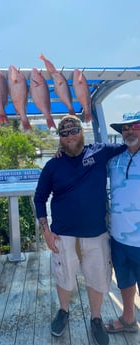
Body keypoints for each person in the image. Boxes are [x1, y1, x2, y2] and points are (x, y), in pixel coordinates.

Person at [33, 115, 127, 345]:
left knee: (97, 279)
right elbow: (39, 198)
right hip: (63, 235)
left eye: (73, 130)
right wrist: (45, 230)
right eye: (64, 133)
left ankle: (96, 318)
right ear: (60, 138)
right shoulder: (53, 164)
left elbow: (129, 143)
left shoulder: (100, 151)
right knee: (64, 277)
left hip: (96, 234)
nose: (69, 136)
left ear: (81, 131)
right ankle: (64, 311)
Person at [104, 112, 140, 334]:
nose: (128, 131)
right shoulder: (114, 159)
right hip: (118, 237)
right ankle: (128, 320)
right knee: (124, 282)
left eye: (134, 126)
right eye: (124, 128)